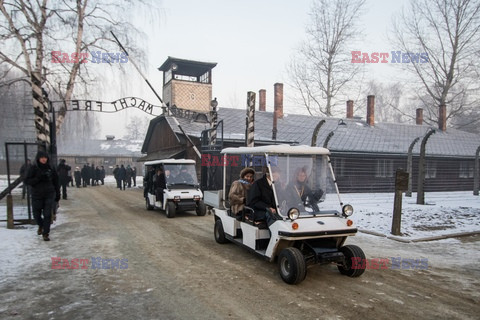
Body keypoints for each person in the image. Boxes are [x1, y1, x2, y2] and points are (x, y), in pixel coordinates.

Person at [25, 151, 60, 241]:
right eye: (42, 157)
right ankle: (41, 225)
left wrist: (58, 193)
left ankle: (46, 233)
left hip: (49, 194)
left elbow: (56, 181)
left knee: (47, 214)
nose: (44, 159)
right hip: (37, 194)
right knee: (36, 214)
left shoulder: (51, 168)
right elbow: (27, 181)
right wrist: (38, 178)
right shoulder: (33, 168)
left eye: (45, 157)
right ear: (38, 158)